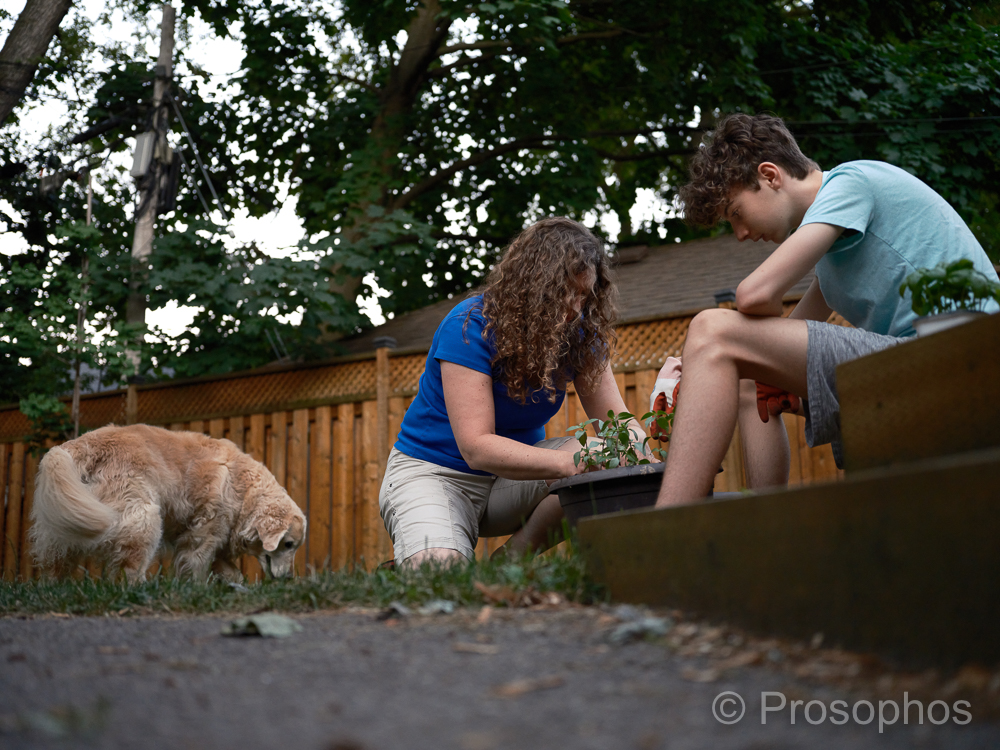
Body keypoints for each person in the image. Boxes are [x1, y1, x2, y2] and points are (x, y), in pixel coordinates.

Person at [655, 112, 1000, 507]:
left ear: (770, 176)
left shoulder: (851, 183)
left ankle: (667, 521)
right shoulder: (832, 254)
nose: (741, 234)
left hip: (959, 356)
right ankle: (769, 522)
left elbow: (752, 296)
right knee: (749, 376)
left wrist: (711, 344)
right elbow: (771, 343)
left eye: (736, 213)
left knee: (711, 329)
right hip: (912, 363)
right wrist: (694, 369)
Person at [380, 217, 649, 565]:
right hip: (433, 474)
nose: (575, 308)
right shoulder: (470, 325)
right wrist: (568, 462)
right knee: (441, 572)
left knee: (607, 454)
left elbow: (618, 426)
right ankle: (421, 561)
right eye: (565, 292)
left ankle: (508, 563)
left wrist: (646, 461)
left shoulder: (580, 336)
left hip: (510, 481)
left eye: (584, 295)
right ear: (533, 285)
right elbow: (476, 448)